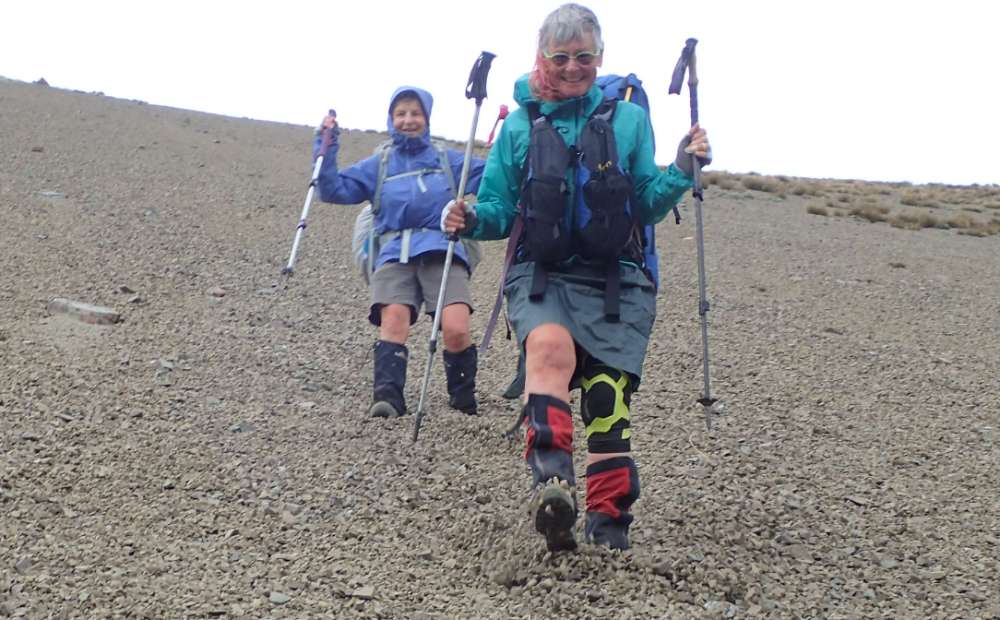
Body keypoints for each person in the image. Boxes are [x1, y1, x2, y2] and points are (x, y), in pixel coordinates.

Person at [442, 3, 712, 551]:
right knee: (547, 350)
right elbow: (497, 207)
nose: (572, 67)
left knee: (607, 400)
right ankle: (554, 490)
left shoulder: (629, 121)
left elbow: (645, 202)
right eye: (560, 57)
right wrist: (470, 215)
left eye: (583, 56)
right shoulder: (519, 127)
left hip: (617, 279)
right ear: (542, 57)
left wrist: (683, 167)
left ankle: (609, 522)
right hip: (543, 276)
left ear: (600, 57)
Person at [315, 86, 485, 418]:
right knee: (393, 319)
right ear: (391, 119)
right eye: (401, 114)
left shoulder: (448, 160)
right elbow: (331, 188)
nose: (408, 120)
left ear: (427, 118)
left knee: (456, 328)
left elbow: (494, 178)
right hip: (393, 251)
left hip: (443, 247)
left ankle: (462, 399)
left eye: (415, 113)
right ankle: (388, 398)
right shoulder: (378, 164)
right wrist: (325, 146)